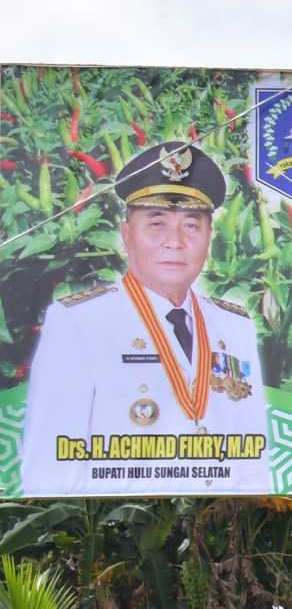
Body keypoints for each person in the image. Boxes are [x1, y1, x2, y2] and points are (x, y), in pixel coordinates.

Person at [20, 142, 272, 496]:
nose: (175, 242)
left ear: (209, 238)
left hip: (222, 521)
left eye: (191, 225)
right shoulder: (79, 322)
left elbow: (253, 456)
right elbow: (50, 469)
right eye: (156, 224)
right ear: (126, 233)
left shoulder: (235, 326)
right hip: (126, 524)